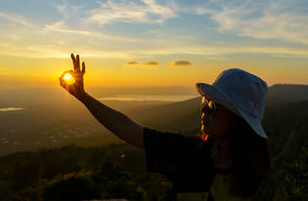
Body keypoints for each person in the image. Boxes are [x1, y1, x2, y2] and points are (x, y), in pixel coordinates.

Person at [59, 54, 290, 200]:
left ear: (238, 120)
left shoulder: (266, 186)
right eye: (204, 102)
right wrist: (83, 97)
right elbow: (127, 128)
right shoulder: (188, 153)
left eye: (212, 105)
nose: (203, 110)